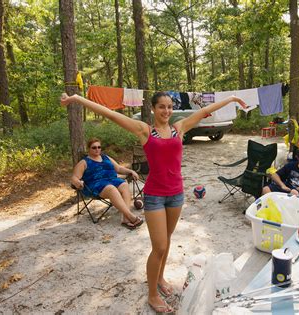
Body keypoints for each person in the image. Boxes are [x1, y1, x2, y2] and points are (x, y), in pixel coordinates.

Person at [61, 92, 247, 313]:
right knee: (158, 246)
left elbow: (205, 111)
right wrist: (76, 99)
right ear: (153, 109)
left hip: (176, 194)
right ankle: (152, 294)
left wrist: (233, 99)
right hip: (155, 196)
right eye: (161, 107)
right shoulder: (145, 131)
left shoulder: (180, 128)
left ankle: (160, 278)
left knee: (166, 241)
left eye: (169, 107)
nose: (166, 111)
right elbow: (110, 114)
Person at [71, 137, 143, 230]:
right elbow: (74, 177)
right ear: (89, 149)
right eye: (94, 147)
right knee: (111, 188)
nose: (97, 149)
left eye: (99, 147)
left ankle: (125, 218)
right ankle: (131, 216)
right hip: (96, 185)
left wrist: (131, 171)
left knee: (124, 184)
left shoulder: (105, 157)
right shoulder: (84, 162)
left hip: (112, 180)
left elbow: (119, 169)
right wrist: (78, 182)